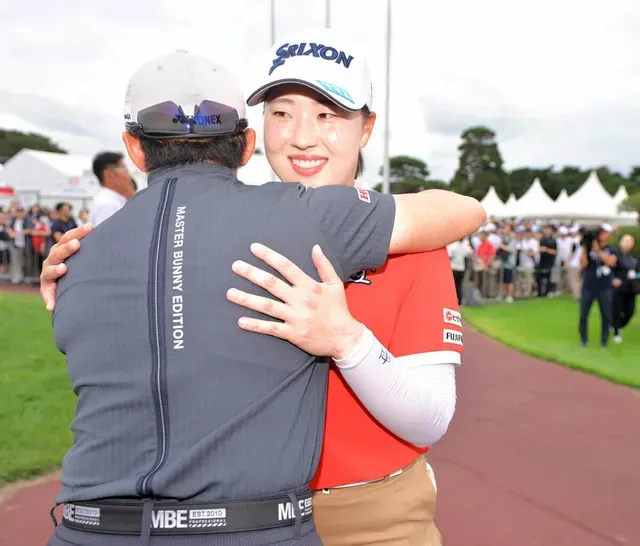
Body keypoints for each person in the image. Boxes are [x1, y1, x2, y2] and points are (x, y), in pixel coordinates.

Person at [41, 33, 484, 546]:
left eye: (328, 116)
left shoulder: (415, 240)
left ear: (366, 129)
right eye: (282, 113)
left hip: (369, 518)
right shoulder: (232, 222)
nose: (301, 137)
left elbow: (430, 420)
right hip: (252, 519)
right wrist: (84, 262)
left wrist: (349, 342)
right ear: (253, 134)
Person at [579, 226, 617, 347]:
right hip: (588, 285)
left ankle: (604, 342)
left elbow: (611, 262)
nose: (601, 235)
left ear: (609, 235)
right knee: (583, 315)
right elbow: (583, 264)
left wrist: (598, 250)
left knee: (606, 315)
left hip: (604, 287)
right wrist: (585, 247)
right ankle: (584, 340)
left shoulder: (611, 249)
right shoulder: (589, 248)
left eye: (604, 233)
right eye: (600, 233)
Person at [89, 151, 134, 226]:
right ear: (110, 175)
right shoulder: (107, 204)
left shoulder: (112, 201)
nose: (129, 176)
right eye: (125, 170)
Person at [612, 233, 638, 343]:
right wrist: (613, 279)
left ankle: (618, 325)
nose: (627, 243)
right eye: (625, 240)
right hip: (619, 287)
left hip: (631, 288)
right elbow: (610, 268)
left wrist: (636, 275)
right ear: (620, 242)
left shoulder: (634, 257)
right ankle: (617, 332)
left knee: (630, 312)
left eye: (630, 241)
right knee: (617, 310)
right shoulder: (615, 255)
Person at [448, 237, 471, 304]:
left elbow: (450, 256)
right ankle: (459, 301)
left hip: (455, 268)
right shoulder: (465, 246)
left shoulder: (453, 246)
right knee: (459, 286)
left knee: (454, 286)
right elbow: (469, 253)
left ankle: (454, 300)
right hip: (460, 268)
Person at [537, 224, 557, 297]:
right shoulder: (542, 239)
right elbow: (539, 249)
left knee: (548, 278)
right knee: (539, 277)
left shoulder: (553, 241)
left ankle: (547, 292)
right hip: (542, 261)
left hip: (549, 262)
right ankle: (539, 293)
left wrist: (547, 250)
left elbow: (555, 252)